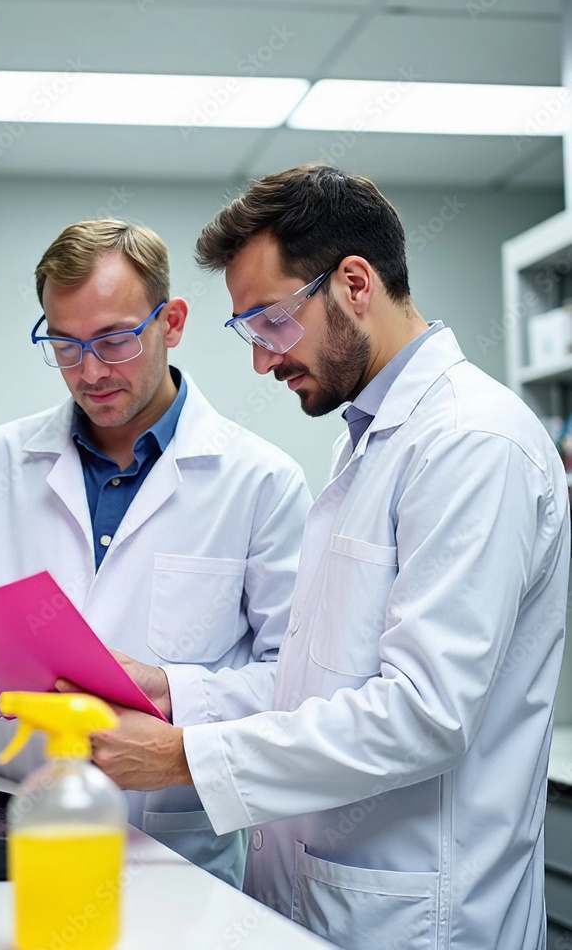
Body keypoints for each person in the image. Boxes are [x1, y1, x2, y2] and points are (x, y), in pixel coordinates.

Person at [86, 167, 570, 950]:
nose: (262, 361)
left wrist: (187, 758)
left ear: (353, 283)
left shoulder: (472, 443)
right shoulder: (374, 443)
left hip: (422, 916)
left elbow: (421, 714)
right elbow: (324, 680)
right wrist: (174, 692)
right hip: (330, 898)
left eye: (271, 323)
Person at [0, 218, 311, 886]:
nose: (90, 371)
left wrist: (176, 692)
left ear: (174, 321)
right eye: (64, 345)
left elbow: (299, 681)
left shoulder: (261, 480)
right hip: (13, 834)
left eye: (114, 340)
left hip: (175, 851)